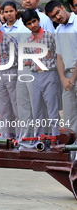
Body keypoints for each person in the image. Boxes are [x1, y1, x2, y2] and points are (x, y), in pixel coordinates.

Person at [22, 9, 60, 141]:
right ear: (26, 26)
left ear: (38, 20)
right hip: (34, 76)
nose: (33, 25)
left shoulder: (51, 36)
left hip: (50, 74)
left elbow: (58, 56)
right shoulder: (27, 41)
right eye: (29, 23)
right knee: (37, 110)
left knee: (52, 109)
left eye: (34, 21)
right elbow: (26, 62)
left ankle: (56, 140)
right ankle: (39, 141)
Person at [1, 1, 33, 146]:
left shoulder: (22, 28)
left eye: (11, 11)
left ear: (16, 12)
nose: (9, 14)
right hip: (2, 69)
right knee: (5, 104)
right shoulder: (1, 29)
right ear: (2, 13)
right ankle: (7, 136)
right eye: (6, 12)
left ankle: (21, 136)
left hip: (17, 68)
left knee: (17, 104)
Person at [45, 0, 77, 137]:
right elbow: (59, 57)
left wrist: (73, 78)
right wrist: (63, 79)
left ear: (63, 8)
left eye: (57, 12)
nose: (57, 17)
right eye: (53, 16)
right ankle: (73, 154)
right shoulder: (58, 30)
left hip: (74, 76)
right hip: (67, 79)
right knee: (69, 120)